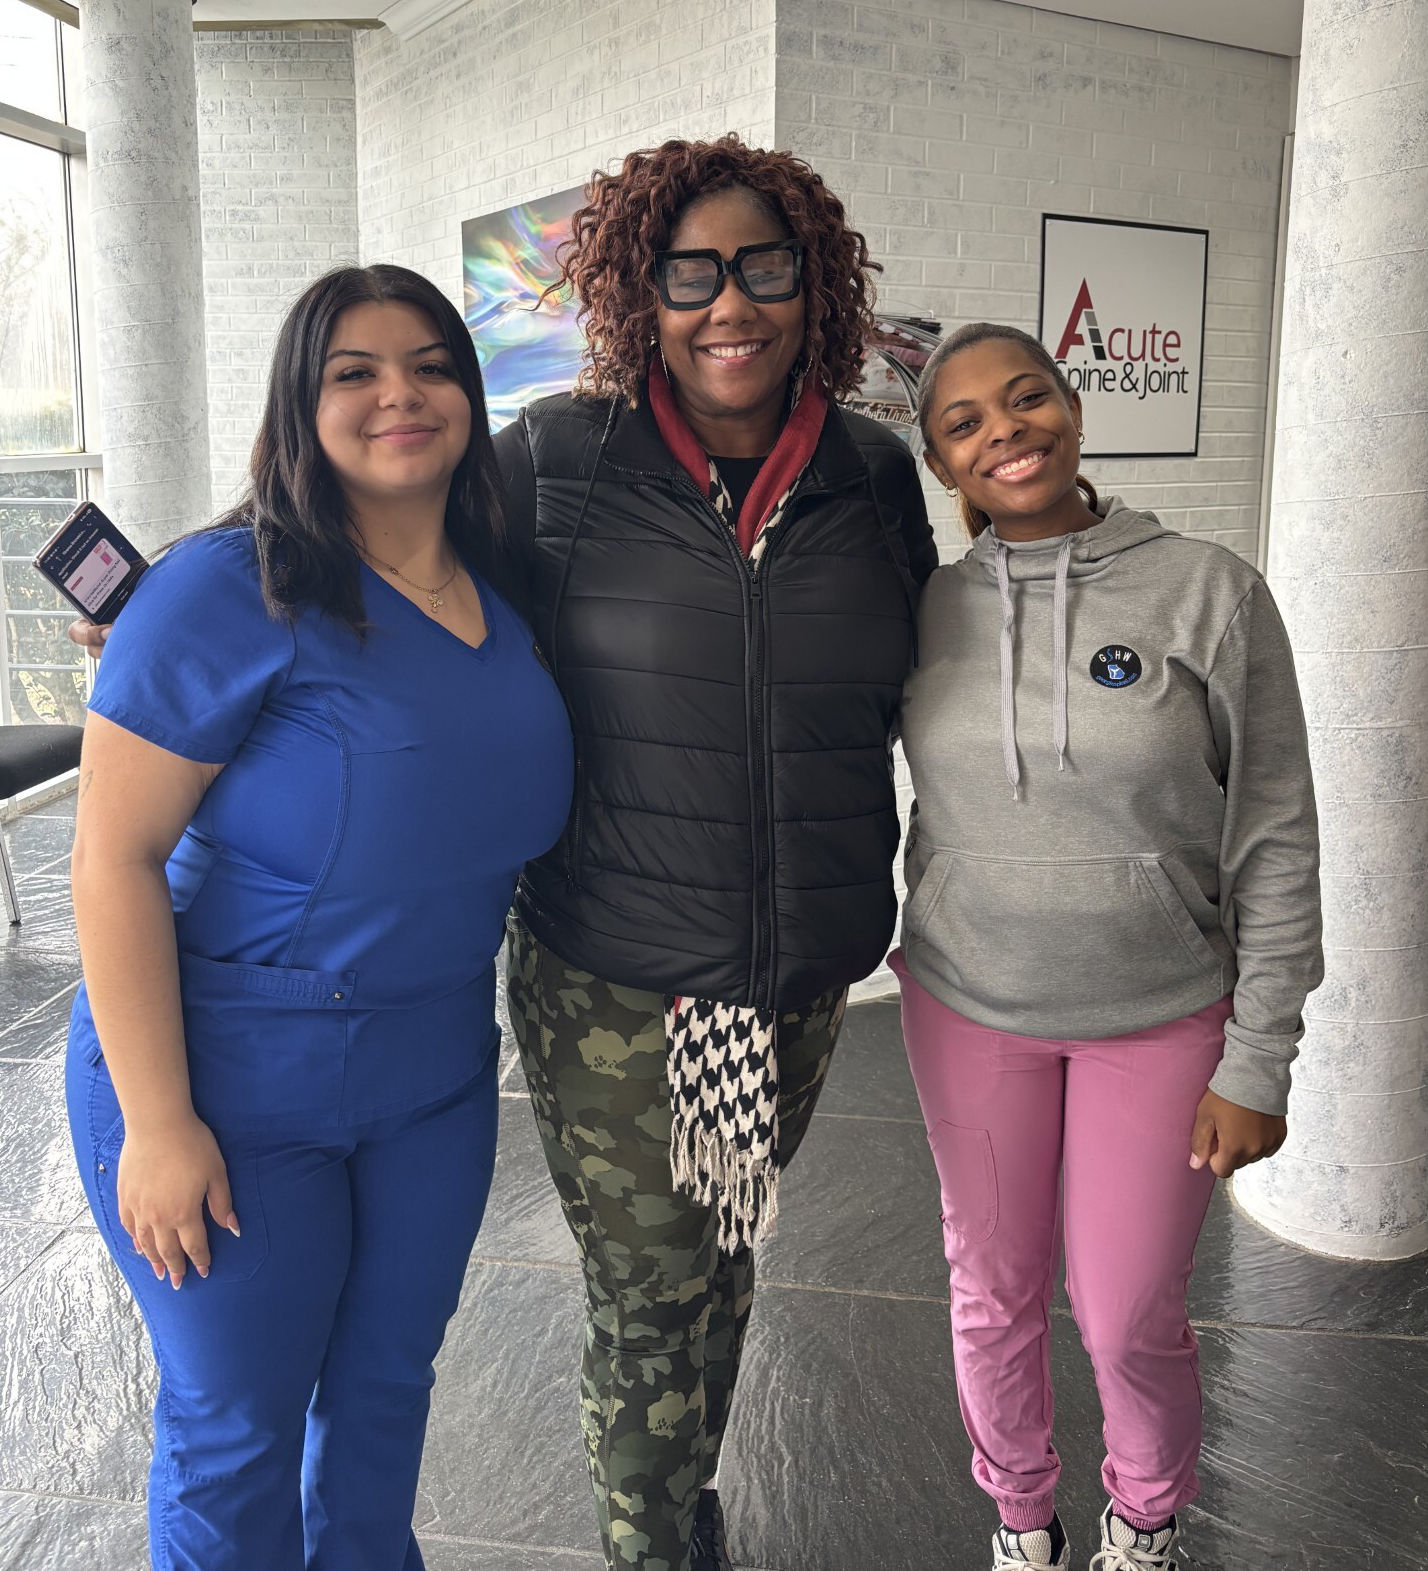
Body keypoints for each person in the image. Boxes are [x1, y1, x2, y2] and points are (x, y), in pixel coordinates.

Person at [64, 263, 573, 1570]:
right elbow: (111, 857)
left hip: (433, 1075)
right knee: (236, 1429)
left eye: (430, 364)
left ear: (469, 396)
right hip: (228, 1077)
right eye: (354, 369)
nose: (399, 392)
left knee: (383, 1401)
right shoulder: (225, 586)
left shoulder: (507, 593)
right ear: (302, 403)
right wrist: (161, 1122)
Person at [495, 135, 937, 1571]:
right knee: (646, 1287)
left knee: (722, 1260)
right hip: (618, 980)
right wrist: (195, 600)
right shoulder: (560, 457)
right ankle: (652, 1540)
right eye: (690, 273)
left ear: (817, 286)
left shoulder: (872, 473)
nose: (728, 303)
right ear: (642, 289)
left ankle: (686, 1509)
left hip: (791, 980)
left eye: (764, 267)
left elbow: (934, 676)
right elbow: (378, 565)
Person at [892, 322, 1322, 1571]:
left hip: (1165, 1014)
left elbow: (1278, 835)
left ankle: (1147, 1516)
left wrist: (1262, 1057)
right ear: (943, 467)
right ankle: (1021, 1517)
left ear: (1076, 410)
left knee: (1131, 1310)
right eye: (966, 422)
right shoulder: (925, 607)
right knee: (992, 1290)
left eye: (1028, 398)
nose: (1004, 429)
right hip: (969, 1002)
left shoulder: (1208, 588)